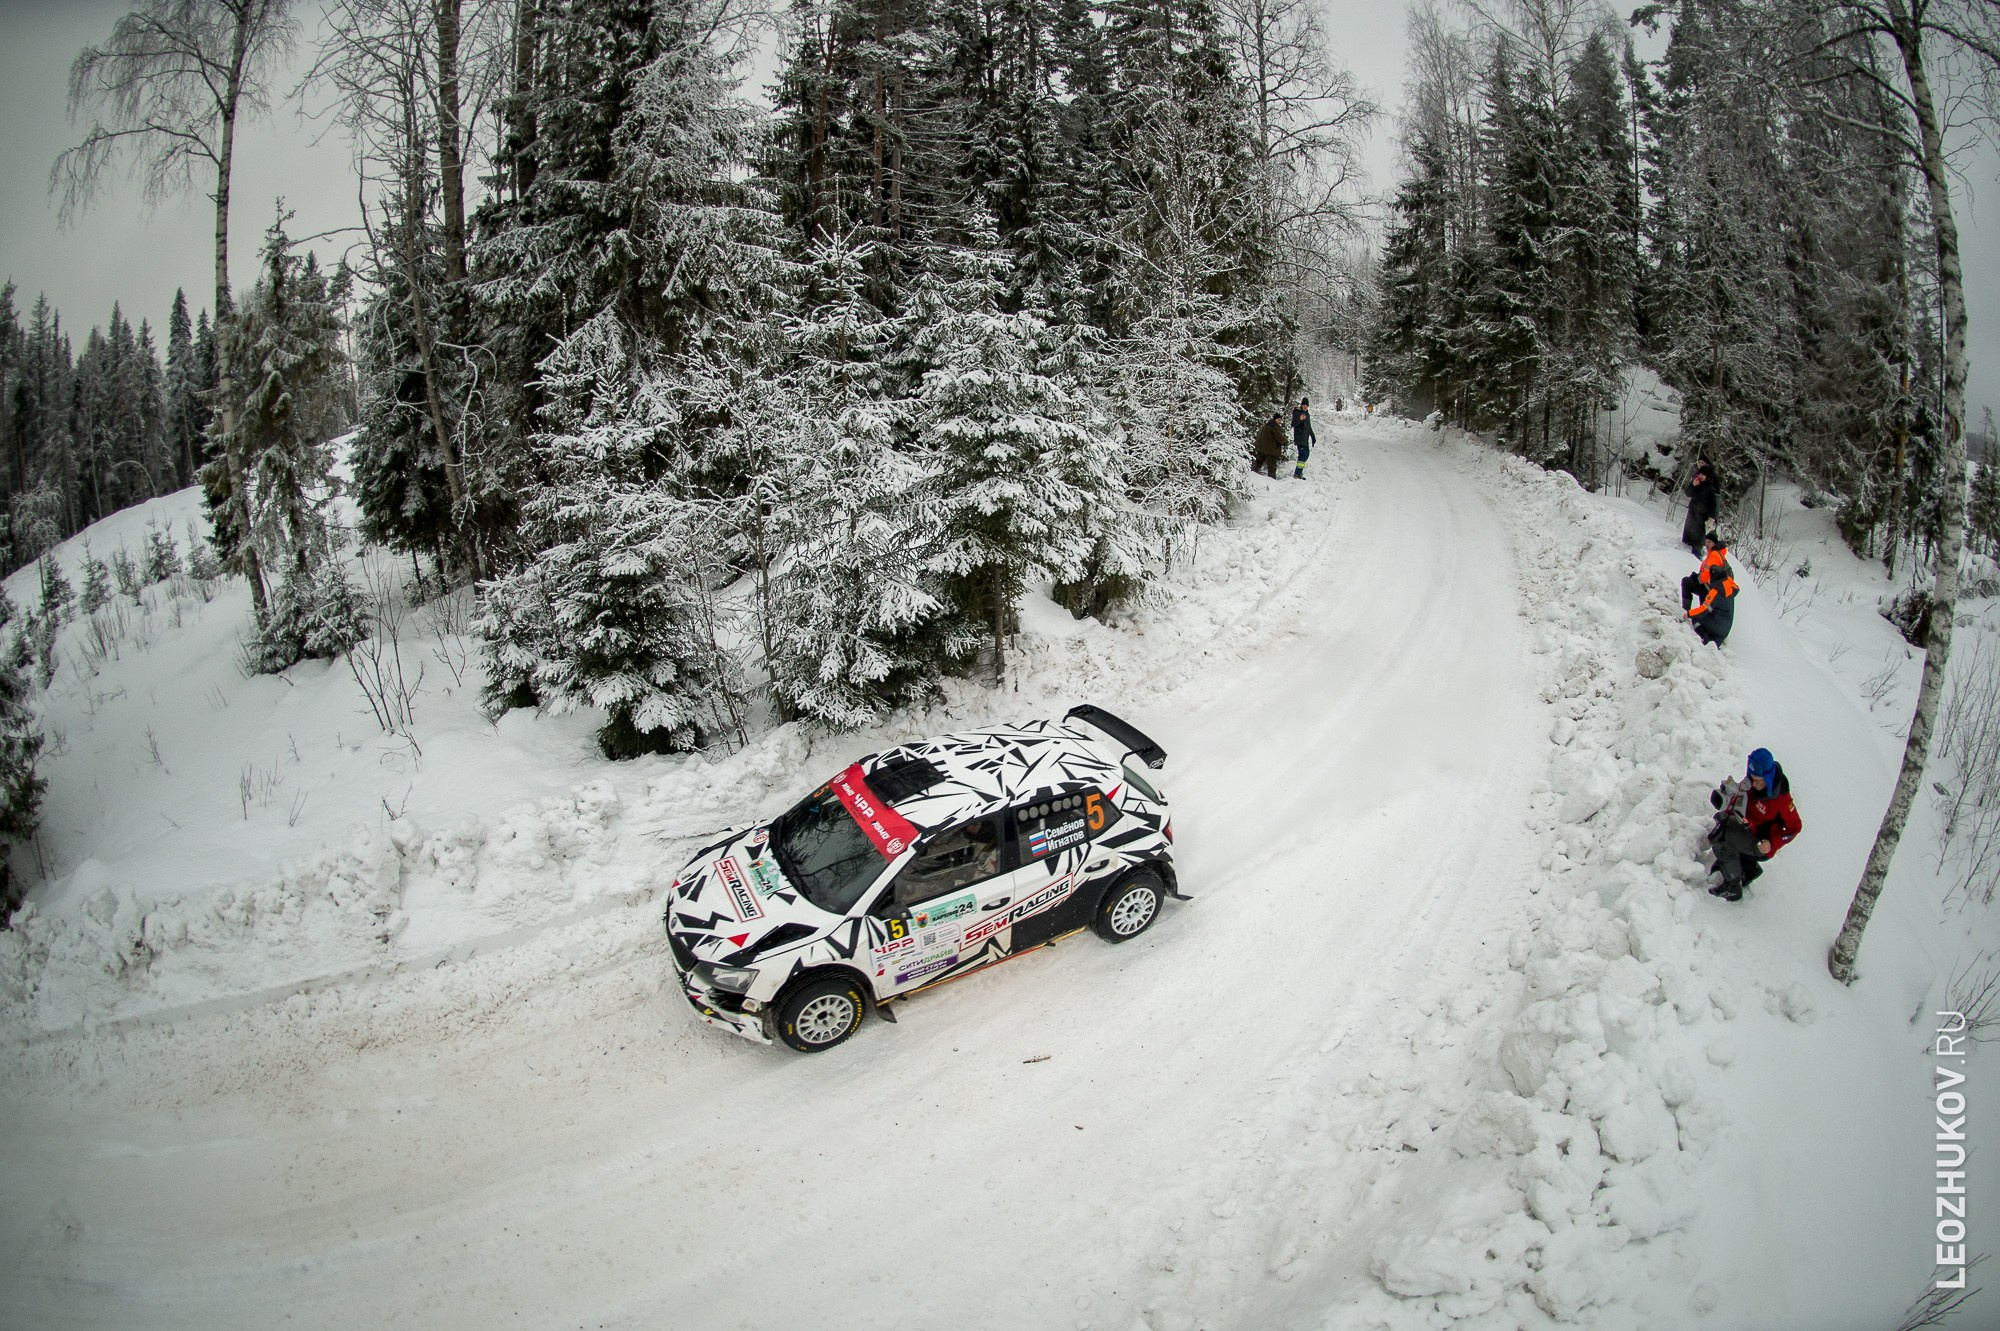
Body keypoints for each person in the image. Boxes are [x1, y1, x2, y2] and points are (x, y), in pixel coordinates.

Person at [1707, 748, 1802, 900]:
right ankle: (1748, 869)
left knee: (1723, 839)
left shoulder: (1781, 800)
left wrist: (1772, 843)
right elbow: (1741, 796)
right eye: (1752, 778)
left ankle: (1733, 887)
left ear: (1769, 778)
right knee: (1722, 820)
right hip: (1748, 827)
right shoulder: (1751, 783)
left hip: (1760, 842)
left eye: (1759, 781)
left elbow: (1795, 827)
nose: (1754, 784)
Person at [1681, 531, 1737, 646]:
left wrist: (1690, 614)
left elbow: (1705, 576)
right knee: (1706, 608)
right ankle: (1710, 633)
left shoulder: (1714, 555)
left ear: (1715, 543)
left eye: (1709, 542)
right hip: (1724, 625)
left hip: (1711, 590)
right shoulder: (1718, 555)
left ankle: (1702, 634)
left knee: (1687, 583)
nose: (1707, 544)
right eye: (1705, 542)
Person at [1683, 456, 1721, 555]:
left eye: (1703, 475)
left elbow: (1713, 504)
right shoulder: (1697, 483)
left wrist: (1712, 517)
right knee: (1688, 535)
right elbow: (1688, 493)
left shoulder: (1710, 488)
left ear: (1707, 476)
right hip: (1692, 512)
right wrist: (1692, 485)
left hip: (1702, 515)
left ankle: (1696, 554)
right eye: (1700, 473)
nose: (1700, 476)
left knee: (1698, 537)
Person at [1251, 410, 1286, 479]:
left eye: (1280, 419)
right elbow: (1280, 438)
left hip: (1261, 448)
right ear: (1275, 419)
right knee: (1272, 467)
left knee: (1258, 462)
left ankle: (1252, 475)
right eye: (1278, 419)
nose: (1279, 421)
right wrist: (1285, 441)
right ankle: (1272, 480)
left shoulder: (1266, 425)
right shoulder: (1275, 427)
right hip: (1271, 450)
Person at [1291, 396, 1317, 479]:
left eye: (1306, 405)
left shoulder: (1307, 414)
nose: (1305, 406)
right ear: (1301, 405)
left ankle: (1299, 472)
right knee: (1303, 455)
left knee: (1306, 455)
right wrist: (1300, 419)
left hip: (1305, 439)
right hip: (1299, 438)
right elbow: (1293, 424)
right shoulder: (1297, 413)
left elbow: (1309, 427)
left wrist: (1313, 436)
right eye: (1304, 405)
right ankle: (1297, 474)